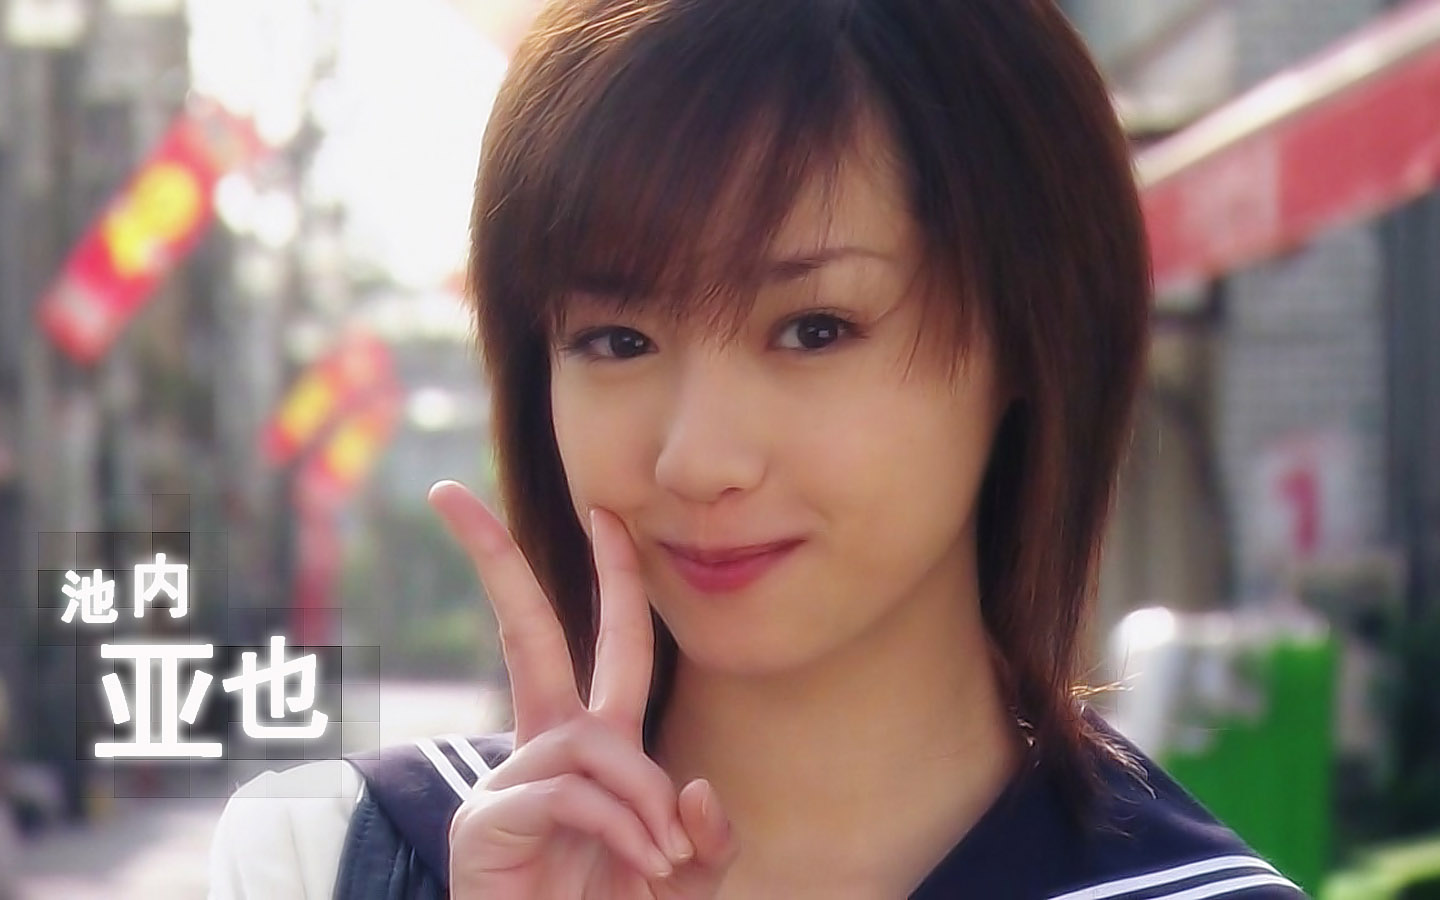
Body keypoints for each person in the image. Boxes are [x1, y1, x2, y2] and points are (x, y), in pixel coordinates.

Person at [209, 0, 1311, 897]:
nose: (697, 460)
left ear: (1027, 334)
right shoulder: (332, 858)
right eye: (617, 339)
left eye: (814, 329)